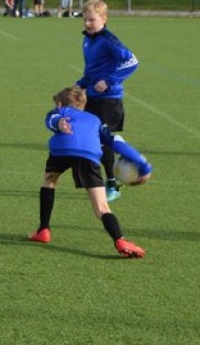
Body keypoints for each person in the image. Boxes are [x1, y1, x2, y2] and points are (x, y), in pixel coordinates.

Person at [28, 86, 149, 258]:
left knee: (50, 180)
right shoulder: (96, 120)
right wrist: (142, 164)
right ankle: (120, 240)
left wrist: (59, 124)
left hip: (62, 150)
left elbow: (51, 120)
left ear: (60, 103)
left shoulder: (59, 111)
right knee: (101, 207)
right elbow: (115, 141)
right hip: (89, 155)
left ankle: (44, 229)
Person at [76, 0, 138, 202]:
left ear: (104, 18)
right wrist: (81, 84)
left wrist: (109, 81)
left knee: (103, 140)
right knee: (90, 138)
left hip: (109, 100)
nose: (87, 23)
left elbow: (131, 61)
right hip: (92, 97)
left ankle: (112, 184)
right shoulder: (88, 39)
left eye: (91, 20)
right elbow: (92, 69)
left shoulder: (109, 40)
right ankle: (99, 180)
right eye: (85, 19)